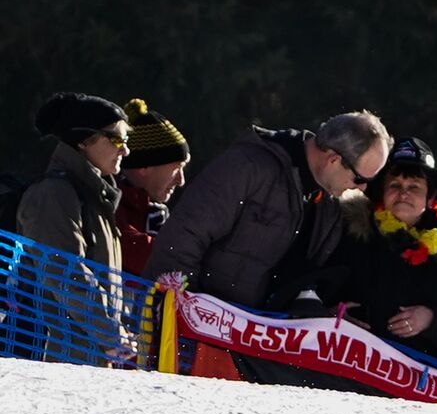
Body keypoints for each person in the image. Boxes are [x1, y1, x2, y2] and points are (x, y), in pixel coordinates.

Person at [144, 111, 390, 309]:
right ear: (333, 159)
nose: (361, 188)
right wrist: (186, 310)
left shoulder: (330, 204)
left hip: (253, 347)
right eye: (359, 178)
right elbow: (182, 238)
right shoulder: (250, 166)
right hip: (197, 330)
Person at [332, 137, 437, 363]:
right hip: (343, 365)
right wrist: (330, 314)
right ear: (381, 192)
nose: (403, 194)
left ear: (431, 198)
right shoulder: (348, 232)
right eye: (395, 186)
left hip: (410, 384)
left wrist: (432, 320)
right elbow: (311, 290)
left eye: (413, 187)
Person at [17, 92, 134, 364]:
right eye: (117, 139)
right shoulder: (54, 194)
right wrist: (110, 333)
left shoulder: (96, 198)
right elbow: (65, 273)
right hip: (56, 365)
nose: (125, 150)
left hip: (90, 361)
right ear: (83, 141)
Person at [114, 98, 190, 277]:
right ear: (145, 167)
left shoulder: (154, 213)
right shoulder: (110, 204)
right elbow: (147, 256)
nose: (181, 180)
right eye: (176, 168)